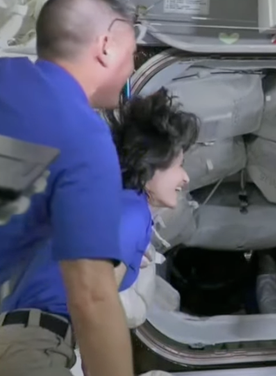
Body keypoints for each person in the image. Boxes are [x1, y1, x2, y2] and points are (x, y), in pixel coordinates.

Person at [0, 88, 199, 376]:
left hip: (29, 342)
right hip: (35, 347)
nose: (186, 177)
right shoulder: (131, 213)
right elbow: (97, 306)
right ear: (150, 165)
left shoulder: (112, 203)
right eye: (179, 165)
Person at [0, 0, 139, 375]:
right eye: (134, 53)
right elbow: (92, 297)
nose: (133, 67)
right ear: (106, 46)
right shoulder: (83, 138)